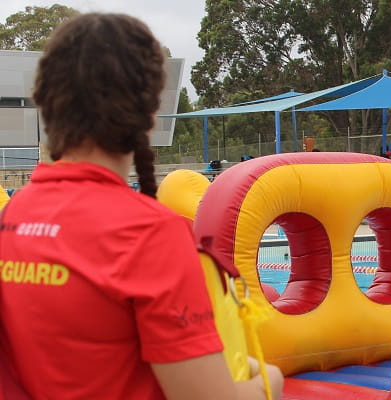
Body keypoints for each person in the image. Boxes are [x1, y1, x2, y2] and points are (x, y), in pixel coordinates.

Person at [0, 13, 283, 399]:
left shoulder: (13, 216)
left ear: (48, 106)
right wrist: (271, 381)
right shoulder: (151, 234)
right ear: (149, 115)